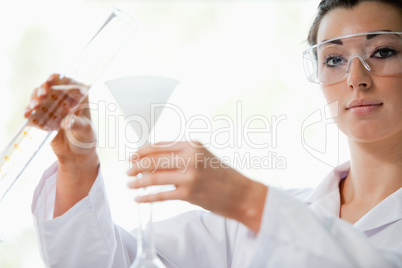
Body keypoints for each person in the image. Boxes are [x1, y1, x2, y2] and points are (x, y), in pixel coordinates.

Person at [26, 0, 402, 267]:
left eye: (383, 52)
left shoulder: (255, 208)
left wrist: (247, 200)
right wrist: (77, 165)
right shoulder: (250, 224)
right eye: (334, 60)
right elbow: (108, 263)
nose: (356, 78)